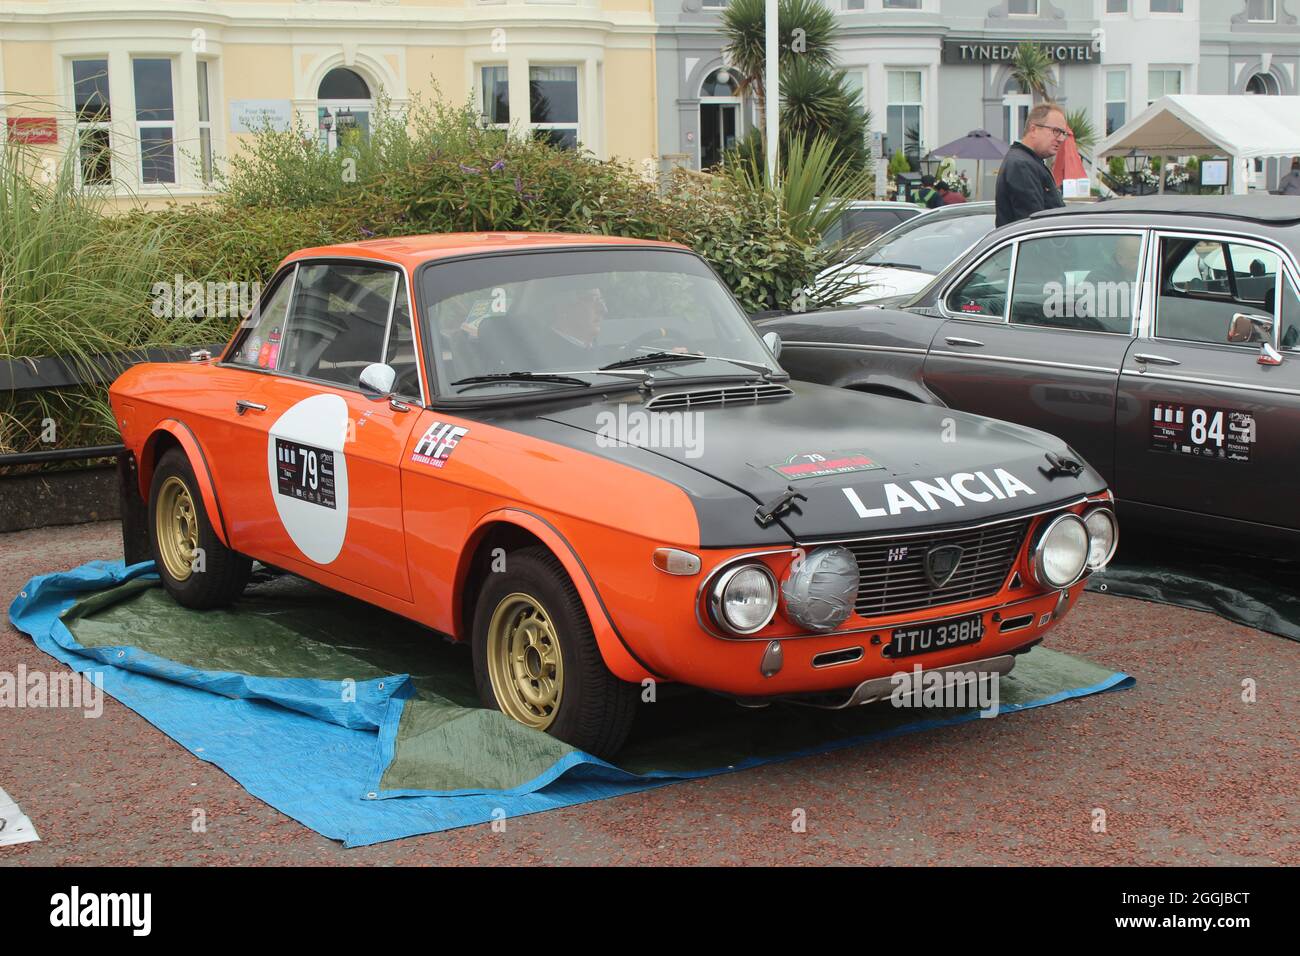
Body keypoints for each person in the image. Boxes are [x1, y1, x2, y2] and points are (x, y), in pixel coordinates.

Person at [995, 103, 1068, 227]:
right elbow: (1034, 226)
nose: (1061, 139)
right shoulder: (1022, 165)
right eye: (1056, 131)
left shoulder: (1028, 161)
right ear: (1033, 129)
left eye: (1063, 133)